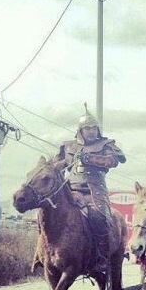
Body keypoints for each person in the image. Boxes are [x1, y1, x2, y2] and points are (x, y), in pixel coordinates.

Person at [54, 103, 126, 274]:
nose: (91, 131)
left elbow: (113, 161)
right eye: (87, 128)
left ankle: (101, 257)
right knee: (50, 214)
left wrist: (90, 159)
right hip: (71, 191)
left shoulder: (106, 144)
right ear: (80, 130)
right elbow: (57, 166)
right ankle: (44, 254)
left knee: (98, 217)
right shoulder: (69, 147)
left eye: (94, 128)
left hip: (95, 192)